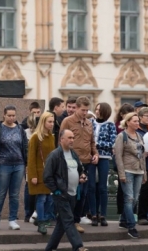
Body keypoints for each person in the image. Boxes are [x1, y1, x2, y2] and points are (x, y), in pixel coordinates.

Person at [43, 129, 89, 251]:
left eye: (73, 138)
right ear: (61, 139)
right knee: (69, 220)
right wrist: (56, 190)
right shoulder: (55, 155)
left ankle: (50, 248)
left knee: (61, 224)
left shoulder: (73, 154)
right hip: (61, 195)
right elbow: (47, 177)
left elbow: (80, 169)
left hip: (73, 194)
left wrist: (82, 176)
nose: (72, 140)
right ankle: (78, 246)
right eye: (69, 138)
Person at [60, 96, 98, 233]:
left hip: (87, 162)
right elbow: (61, 141)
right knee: (72, 193)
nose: (85, 113)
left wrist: (96, 154)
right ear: (76, 108)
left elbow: (92, 142)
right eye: (83, 110)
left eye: (87, 110)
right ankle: (67, 220)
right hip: (71, 162)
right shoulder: (67, 121)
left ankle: (76, 220)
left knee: (83, 193)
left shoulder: (89, 123)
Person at [0, 105, 28, 230]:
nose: (12, 118)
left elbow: (25, 146)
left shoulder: (20, 129)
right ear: (4, 115)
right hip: (2, 165)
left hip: (19, 165)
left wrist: (26, 163)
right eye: (9, 115)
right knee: (0, 193)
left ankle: (12, 219)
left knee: (15, 194)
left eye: (14, 115)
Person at [114, 112, 147, 239]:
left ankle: (123, 219)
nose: (137, 123)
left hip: (139, 171)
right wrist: (121, 174)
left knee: (135, 198)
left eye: (138, 121)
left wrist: (144, 173)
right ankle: (131, 226)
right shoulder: (121, 136)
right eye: (135, 121)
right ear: (128, 122)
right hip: (127, 170)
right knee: (129, 198)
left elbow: (142, 156)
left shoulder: (140, 136)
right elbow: (118, 156)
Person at [28, 111, 57, 235]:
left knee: (50, 199)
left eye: (53, 122)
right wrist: (33, 175)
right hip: (39, 173)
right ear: (43, 122)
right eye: (49, 122)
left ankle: (42, 218)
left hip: (49, 173)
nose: (52, 124)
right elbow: (31, 158)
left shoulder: (52, 137)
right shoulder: (36, 137)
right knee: (42, 198)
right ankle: (41, 222)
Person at [90, 102, 116, 227]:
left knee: (102, 187)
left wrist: (96, 144)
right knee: (91, 187)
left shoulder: (110, 125)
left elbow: (112, 142)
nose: (96, 111)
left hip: (104, 157)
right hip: (90, 157)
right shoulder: (90, 123)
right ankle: (93, 214)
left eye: (99, 109)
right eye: (96, 109)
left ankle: (103, 215)